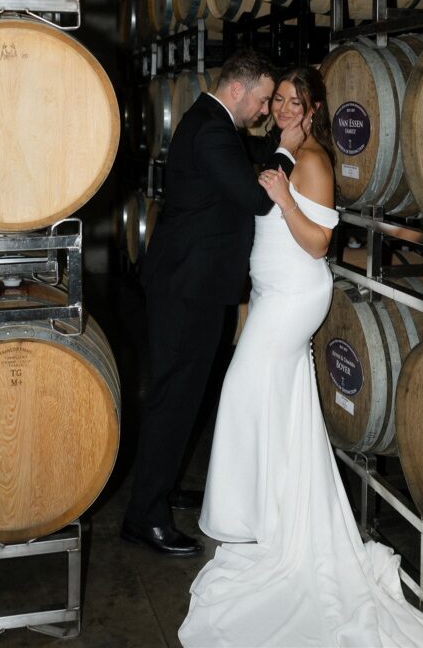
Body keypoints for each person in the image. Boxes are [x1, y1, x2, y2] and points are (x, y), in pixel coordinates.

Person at [179, 67, 423, 647]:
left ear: (314, 109)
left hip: (295, 299)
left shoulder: (312, 161)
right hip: (274, 295)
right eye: (277, 99)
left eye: (293, 102)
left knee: (242, 395)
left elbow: (319, 243)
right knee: (277, 404)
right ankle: (271, 517)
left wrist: (281, 200)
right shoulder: (284, 150)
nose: (281, 108)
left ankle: (258, 519)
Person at [122, 49, 305, 557]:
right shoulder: (211, 130)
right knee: (171, 398)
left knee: (184, 396)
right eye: (265, 100)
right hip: (187, 289)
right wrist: (287, 151)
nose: (266, 110)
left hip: (192, 284)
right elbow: (256, 196)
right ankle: (144, 518)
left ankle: (160, 489)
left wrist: (279, 140)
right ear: (237, 90)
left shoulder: (212, 123)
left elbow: (244, 163)